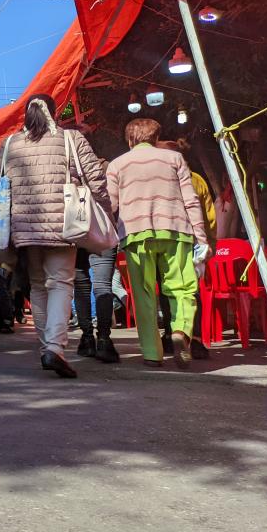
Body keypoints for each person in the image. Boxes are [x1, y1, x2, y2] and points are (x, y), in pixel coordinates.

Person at [0, 94, 109, 378]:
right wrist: (105, 210)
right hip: (63, 224)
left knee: (38, 285)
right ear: (53, 113)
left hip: (23, 228)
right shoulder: (70, 139)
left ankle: (47, 348)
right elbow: (96, 177)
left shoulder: (9, 145)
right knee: (60, 283)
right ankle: (54, 348)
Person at [107, 120, 209, 368]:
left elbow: (109, 205)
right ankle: (181, 331)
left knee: (143, 295)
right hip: (176, 230)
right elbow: (191, 200)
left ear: (129, 139)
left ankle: (152, 353)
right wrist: (201, 237)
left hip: (135, 234)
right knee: (182, 288)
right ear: (155, 137)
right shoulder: (174, 159)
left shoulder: (117, 165)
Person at [157, 139, 216, 359]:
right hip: (191, 240)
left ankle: (172, 333)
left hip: (162, 238)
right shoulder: (196, 179)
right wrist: (210, 242)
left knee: (166, 287)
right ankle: (195, 338)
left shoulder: (160, 180)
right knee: (191, 291)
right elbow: (209, 214)